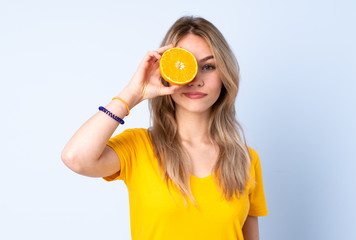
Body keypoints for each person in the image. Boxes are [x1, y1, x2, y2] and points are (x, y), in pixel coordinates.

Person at [61, 16, 268, 240]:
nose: (195, 79)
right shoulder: (138, 146)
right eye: (184, 66)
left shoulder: (246, 160)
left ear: (225, 75)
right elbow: (75, 158)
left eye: (208, 66)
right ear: (166, 73)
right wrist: (133, 93)